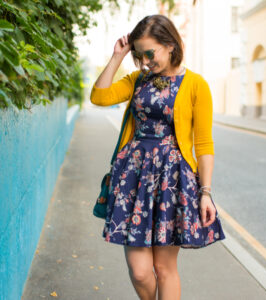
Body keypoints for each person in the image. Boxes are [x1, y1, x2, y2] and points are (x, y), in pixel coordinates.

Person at [90, 14, 226, 300]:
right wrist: (117, 57)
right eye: (140, 56)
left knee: (164, 268)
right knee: (139, 271)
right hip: (133, 178)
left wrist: (205, 192)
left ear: (170, 45)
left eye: (150, 54)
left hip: (172, 180)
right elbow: (99, 97)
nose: (146, 62)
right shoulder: (138, 79)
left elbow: (203, 144)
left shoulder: (196, 84)